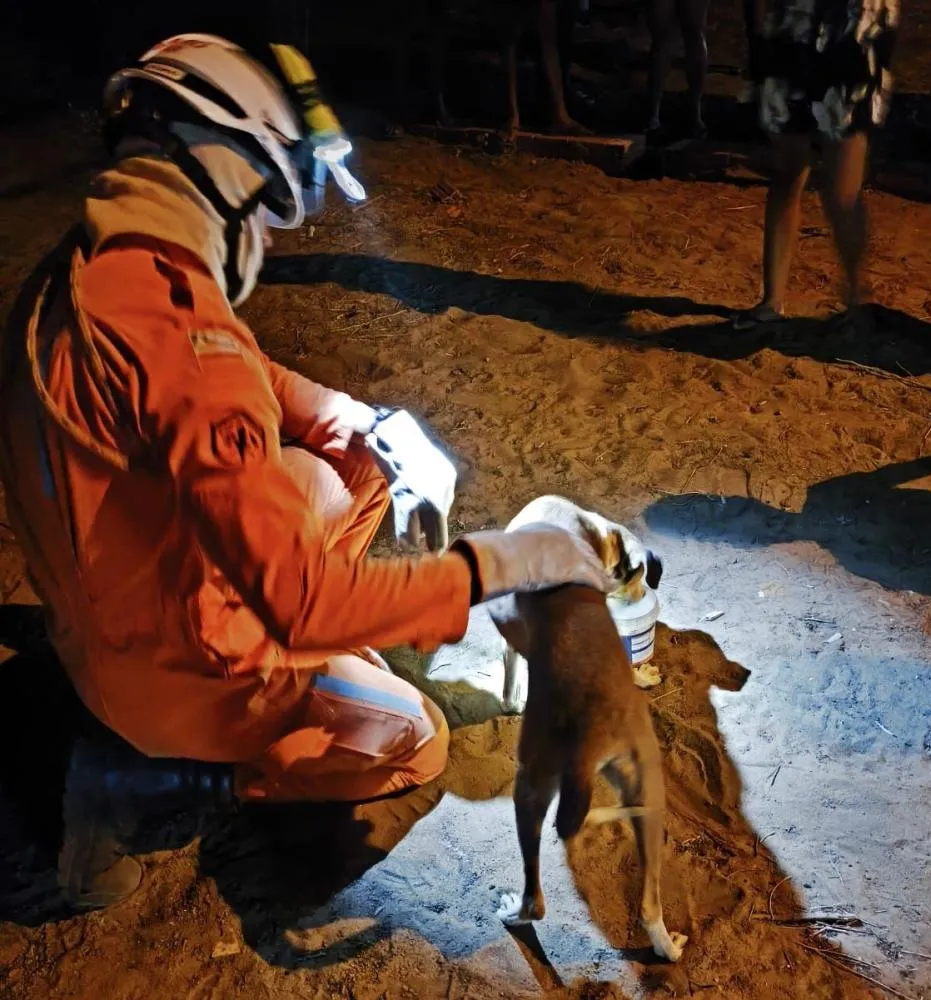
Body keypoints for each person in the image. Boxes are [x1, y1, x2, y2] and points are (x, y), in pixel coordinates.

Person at [0, 34, 615, 911]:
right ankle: (149, 781)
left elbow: (250, 377)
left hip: (106, 611)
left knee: (360, 463)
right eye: (264, 209)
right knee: (417, 741)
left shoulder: (92, 270)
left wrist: (364, 423)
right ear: (224, 171)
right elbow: (302, 602)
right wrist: (501, 563)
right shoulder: (188, 343)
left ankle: (254, 695)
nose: (262, 235)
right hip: (177, 669)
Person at [735, 0, 900, 328]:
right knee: (787, 174)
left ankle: (857, 296)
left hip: (849, 31)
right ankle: (772, 300)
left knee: (842, 191)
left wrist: (879, 42)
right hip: (793, 29)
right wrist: (759, 38)